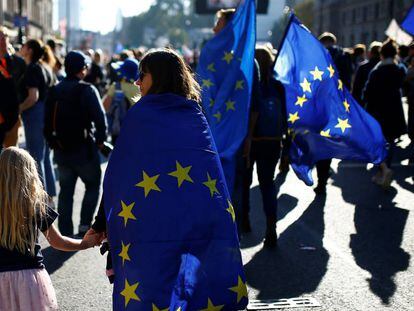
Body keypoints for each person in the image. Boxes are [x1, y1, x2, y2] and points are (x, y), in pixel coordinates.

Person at [87, 49, 248, 310]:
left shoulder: (140, 116)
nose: (137, 82)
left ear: (158, 77)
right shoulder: (194, 113)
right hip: (195, 218)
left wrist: (100, 222)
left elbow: (117, 175)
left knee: (151, 288)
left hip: (147, 222)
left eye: (142, 75)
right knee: (195, 286)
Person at [0, 147, 100, 311]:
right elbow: (57, 241)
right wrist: (85, 243)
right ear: (29, 173)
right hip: (29, 279)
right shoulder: (34, 205)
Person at [44, 51, 108, 237]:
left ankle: (65, 230)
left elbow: (46, 121)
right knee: (93, 185)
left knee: (66, 191)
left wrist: (52, 142)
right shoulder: (87, 90)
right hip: (85, 150)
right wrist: (100, 141)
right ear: (83, 69)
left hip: (61, 150)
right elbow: (100, 119)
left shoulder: (55, 90)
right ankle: (84, 225)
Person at [212, 8, 260, 233]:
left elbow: (254, 104)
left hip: (235, 140)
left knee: (235, 188)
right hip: (211, 140)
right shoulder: (210, 59)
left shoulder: (249, 63)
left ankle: (233, 240)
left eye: (218, 23)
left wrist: (248, 137)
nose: (214, 28)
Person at [241, 46, 287, 248]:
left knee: (244, 183)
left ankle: (245, 221)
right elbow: (285, 115)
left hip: (250, 140)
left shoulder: (248, 85)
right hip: (273, 140)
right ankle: (271, 226)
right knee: (268, 184)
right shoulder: (278, 86)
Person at [314, 32, 354, 195]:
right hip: (336, 105)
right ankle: (323, 177)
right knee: (330, 139)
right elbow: (348, 81)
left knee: (319, 141)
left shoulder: (317, 55)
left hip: (319, 106)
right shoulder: (343, 56)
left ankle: (321, 179)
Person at [363, 39, 407, 188]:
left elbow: (367, 93)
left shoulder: (377, 71)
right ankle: (384, 170)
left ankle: (382, 170)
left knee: (377, 142)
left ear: (381, 54)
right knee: (391, 142)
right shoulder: (400, 70)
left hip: (378, 111)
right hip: (394, 111)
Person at [19, 39, 56, 199]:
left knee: (36, 157)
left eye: (24, 46)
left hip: (35, 114)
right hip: (46, 113)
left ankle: (41, 199)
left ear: (30, 50)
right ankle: (49, 196)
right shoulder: (45, 67)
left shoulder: (33, 68)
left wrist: (18, 109)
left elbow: (33, 97)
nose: (21, 48)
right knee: (45, 157)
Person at [102, 58, 140, 144]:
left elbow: (105, 106)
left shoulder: (116, 86)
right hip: (135, 128)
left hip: (117, 127)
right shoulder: (140, 89)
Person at [0, 26, 26, 150]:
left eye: (4, 37)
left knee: (11, 154)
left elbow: (23, 87)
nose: (2, 41)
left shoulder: (18, 63)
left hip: (13, 116)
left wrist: (20, 108)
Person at [352, 41, 382, 106]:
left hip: (365, 102)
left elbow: (356, 88)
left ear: (370, 53)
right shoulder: (385, 67)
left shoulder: (363, 67)